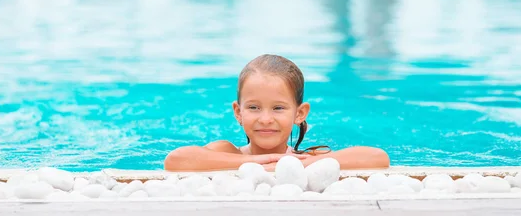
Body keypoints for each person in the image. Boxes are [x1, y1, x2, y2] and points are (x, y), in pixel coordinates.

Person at [164, 54, 390, 171]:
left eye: (278, 108)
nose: (265, 119)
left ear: (300, 113)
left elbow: (378, 157)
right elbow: (176, 160)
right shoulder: (229, 152)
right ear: (238, 112)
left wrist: (297, 164)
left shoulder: (305, 158)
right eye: (253, 107)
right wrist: (260, 161)